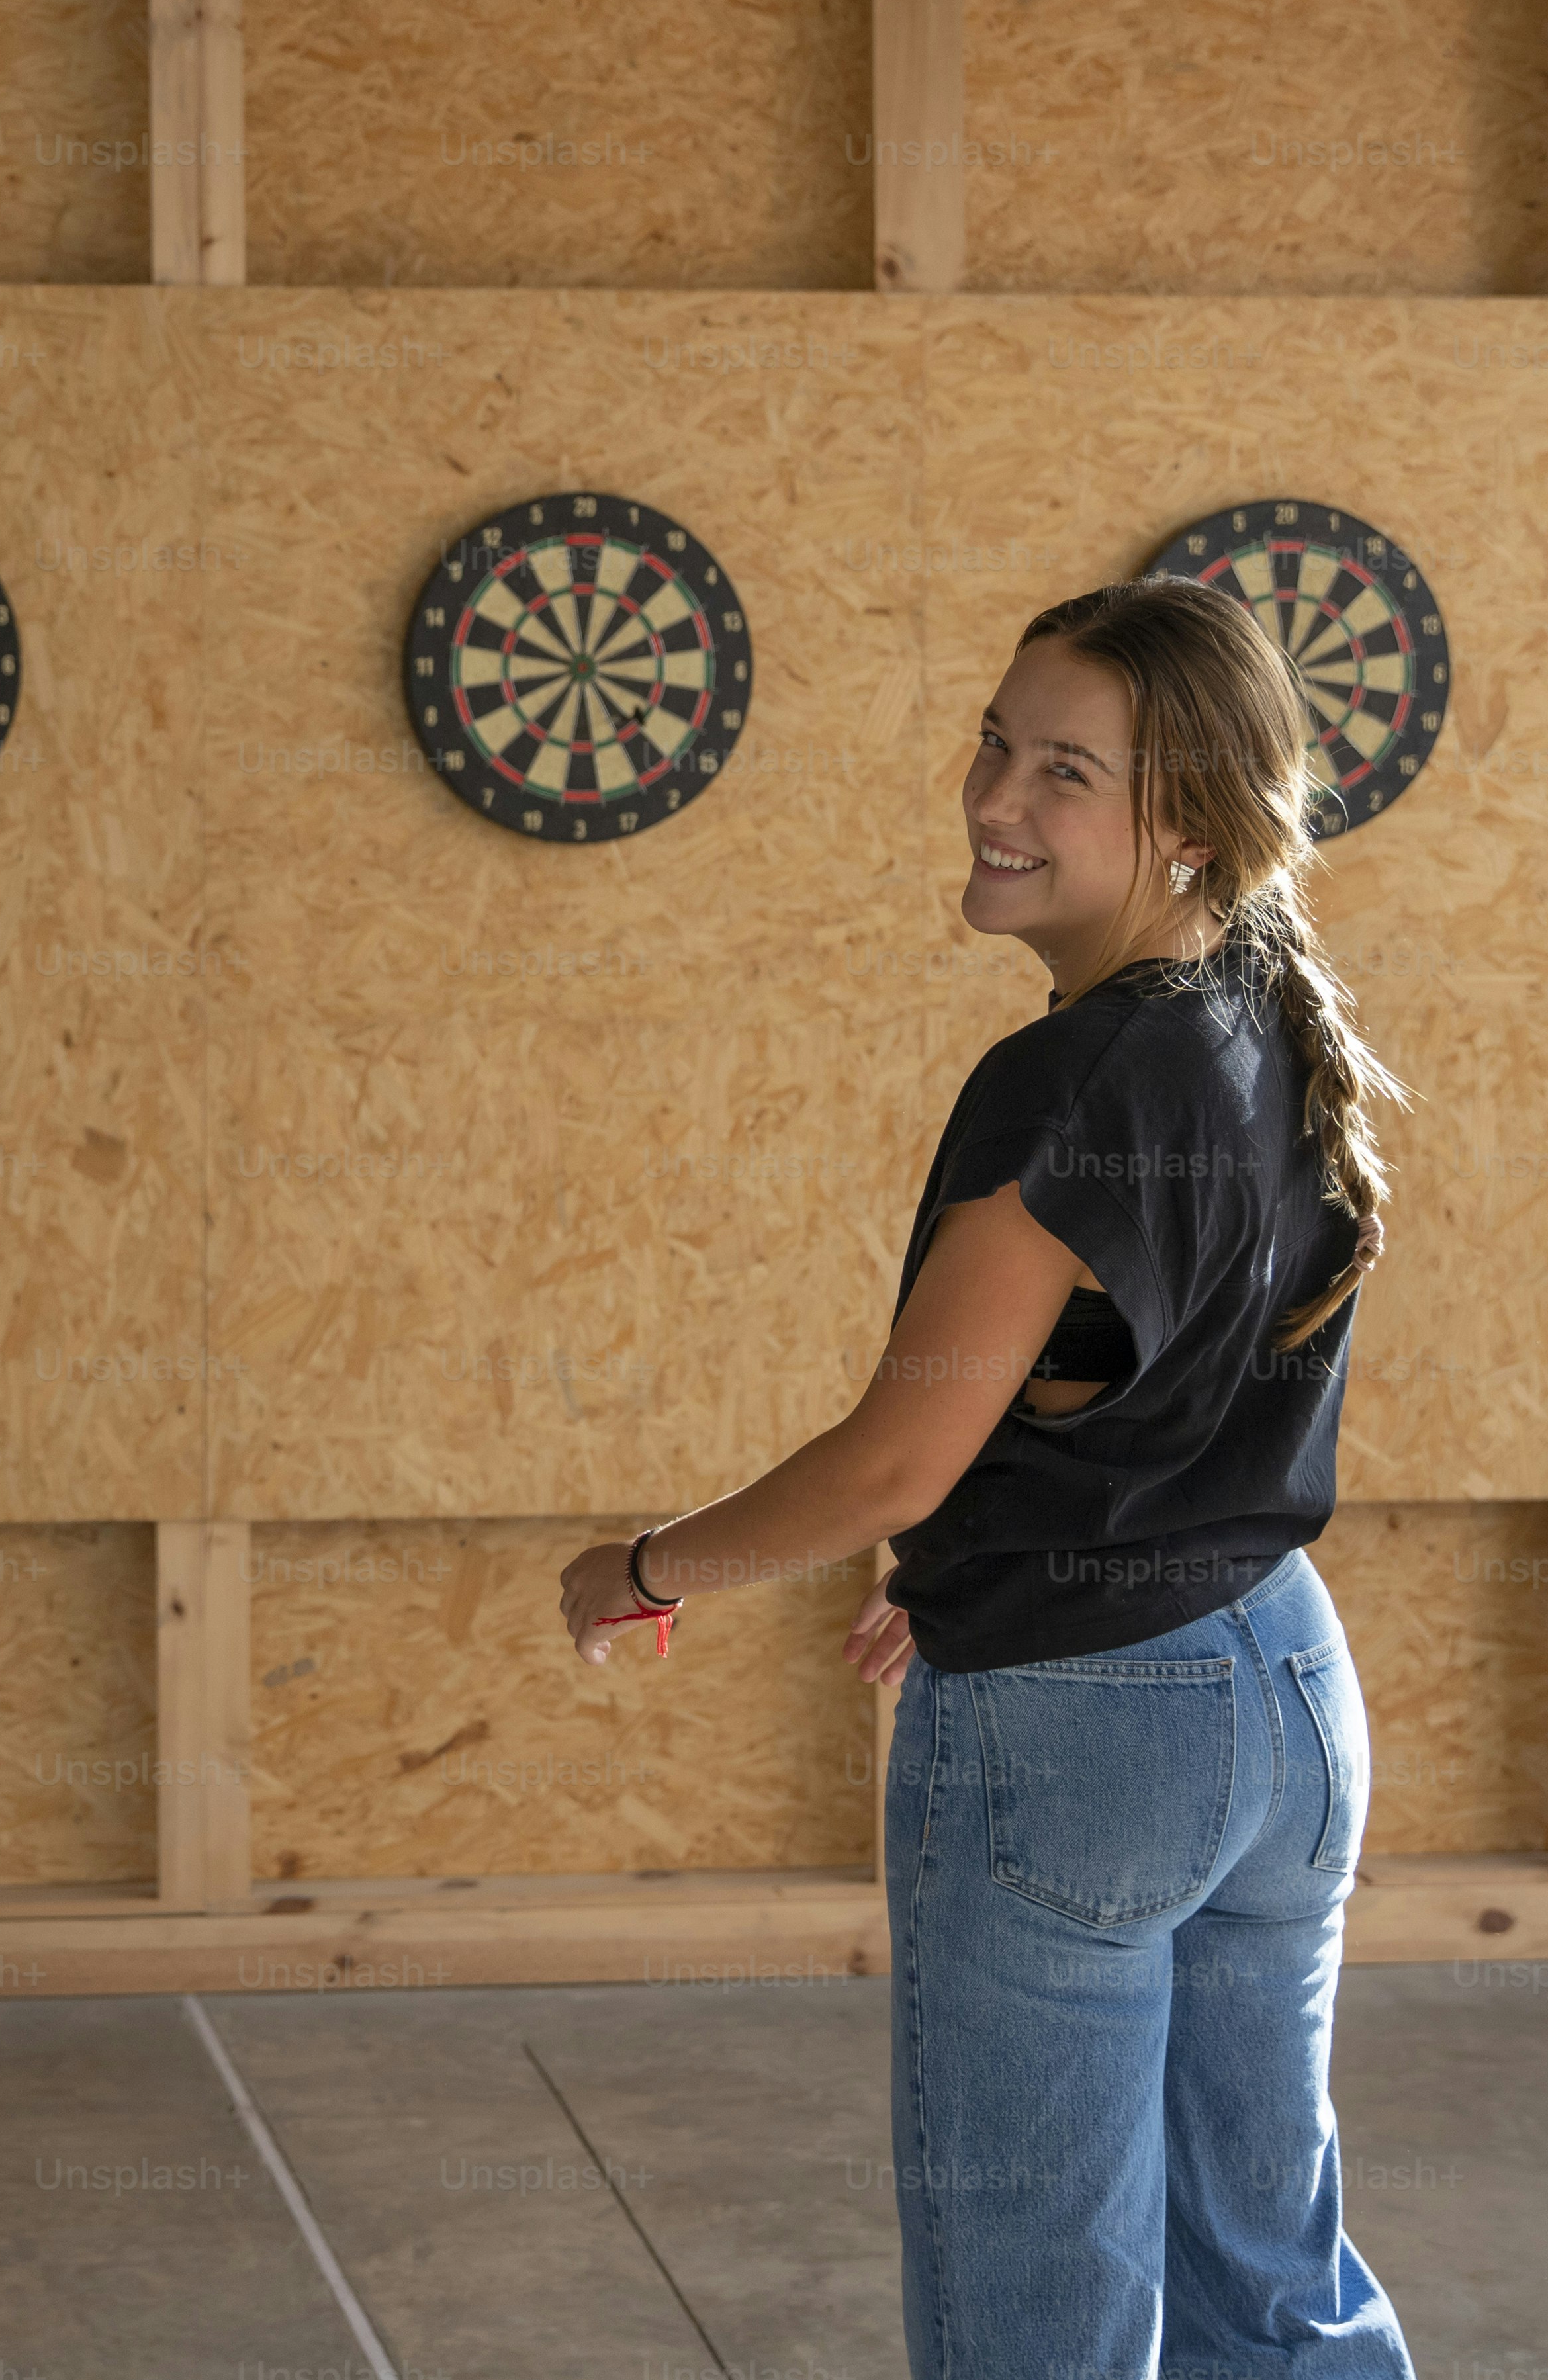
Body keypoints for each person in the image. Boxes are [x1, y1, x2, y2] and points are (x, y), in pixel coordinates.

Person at [559, 576, 1418, 2380]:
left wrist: (642, 1572)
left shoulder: (1073, 1074)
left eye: (1062, 775)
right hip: (1280, 1692)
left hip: (1081, 1743)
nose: (993, 800)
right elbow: (1129, 1390)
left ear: (1180, 821)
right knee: (1271, 2271)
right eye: (993, 743)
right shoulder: (1265, 1005)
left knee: (1036, 2294)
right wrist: (971, 1558)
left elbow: (901, 1441)